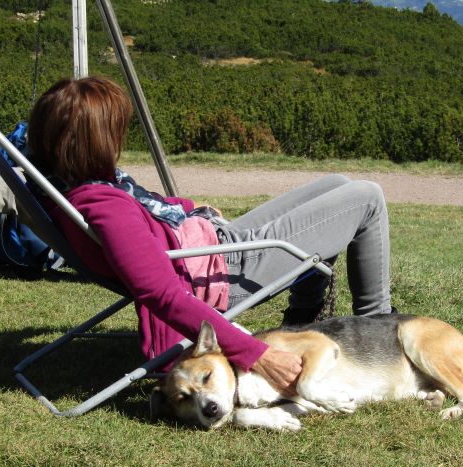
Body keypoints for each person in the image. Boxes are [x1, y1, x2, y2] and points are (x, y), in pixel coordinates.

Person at [26, 76, 392, 395]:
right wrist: (257, 354)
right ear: (96, 142)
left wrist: (185, 207)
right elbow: (162, 294)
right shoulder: (104, 206)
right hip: (224, 270)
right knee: (367, 197)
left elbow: (143, 214)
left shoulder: (77, 187)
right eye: (116, 130)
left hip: (210, 244)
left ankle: (301, 319)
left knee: (337, 184)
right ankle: (379, 329)